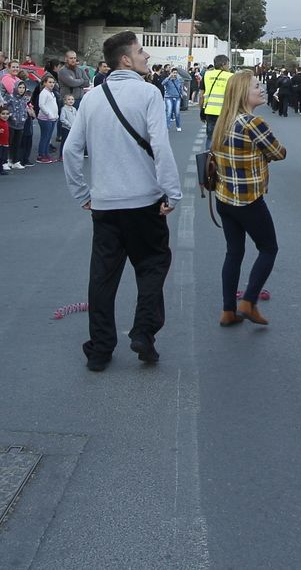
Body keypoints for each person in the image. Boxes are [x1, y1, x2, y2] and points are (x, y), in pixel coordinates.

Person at [63, 32, 181, 372]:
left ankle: (100, 348)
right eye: (141, 51)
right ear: (126, 59)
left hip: (105, 204)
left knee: (102, 278)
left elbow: (71, 151)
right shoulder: (149, 93)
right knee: (152, 267)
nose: (146, 56)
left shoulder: (92, 98)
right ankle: (143, 333)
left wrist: (81, 193)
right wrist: (171, 192)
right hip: (145, 203)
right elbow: (160, 145)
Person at [208, 70, 286, 326]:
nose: (261, 89)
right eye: (255, 86)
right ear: (243, 93)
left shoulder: (223, 121)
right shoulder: (254, 123)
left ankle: (228, 310)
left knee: (234, 252)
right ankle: (249, 301)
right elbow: (279, 152)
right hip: (248, 199)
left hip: (224, 198)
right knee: (268, 248)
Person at [200, 54, 233, 146]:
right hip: (226, 111)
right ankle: (222, 158)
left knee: (210, 137)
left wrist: (201, 110)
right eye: (227, 64)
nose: (228, 66)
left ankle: (208, 159)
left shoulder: (207, 75)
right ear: (223, 64)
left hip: (209, 111)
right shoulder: (231, 76)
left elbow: (201, 94)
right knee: (225, 138)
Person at [7, 80, 32, 170]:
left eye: (23, 88)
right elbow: (6, 108)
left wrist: (24, 117)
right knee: (10, 142)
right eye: (20, 87)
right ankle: (8, 160)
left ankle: (15, 161)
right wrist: (10, 116)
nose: (21, 90)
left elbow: (25, 109)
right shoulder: (10, 97)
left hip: (21, 124)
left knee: (17, 143)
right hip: (11, 124)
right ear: (16, 88)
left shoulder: (24, 99)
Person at [35, 75, 59, 164]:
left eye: (53, 82)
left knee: (48, 137)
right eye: (49, 82)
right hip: (45, 119)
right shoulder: (44, 93)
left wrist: (55, 115)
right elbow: (41, 105)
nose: (52, 84)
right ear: (45, 83)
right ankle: (41, 155)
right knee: (45, 137)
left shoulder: (51, 92)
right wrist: (49, 114)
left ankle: (46, 154)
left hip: (52, 118)